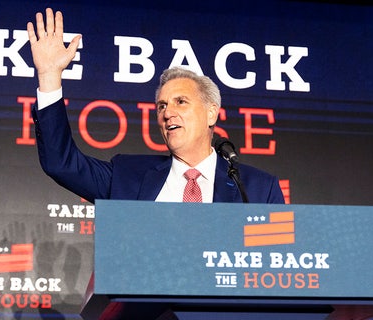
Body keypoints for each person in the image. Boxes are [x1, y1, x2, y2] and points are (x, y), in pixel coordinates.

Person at [26, 8, 285, 205]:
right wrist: (49, 76)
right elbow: (62, 164)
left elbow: (277, 263)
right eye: (161, 106)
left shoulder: (257, 189)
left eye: (180, 102)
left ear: (211, 112)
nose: (167, 112)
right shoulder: (128, 177)